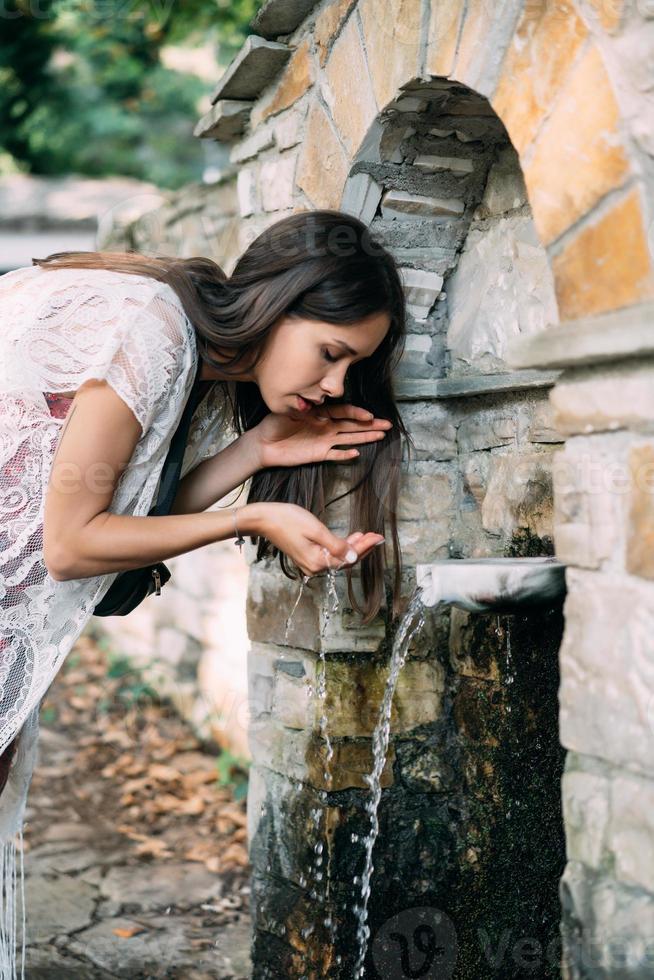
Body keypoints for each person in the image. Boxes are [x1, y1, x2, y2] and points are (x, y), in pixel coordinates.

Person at [0, 208, 411, 976]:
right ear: (280, 302)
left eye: (351, 371)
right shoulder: (152, 327)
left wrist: (256, 451)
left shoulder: (189, 355)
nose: (334, 385)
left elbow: (124, 528)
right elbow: (70, 544)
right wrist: (252, 515)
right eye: (331, 354)